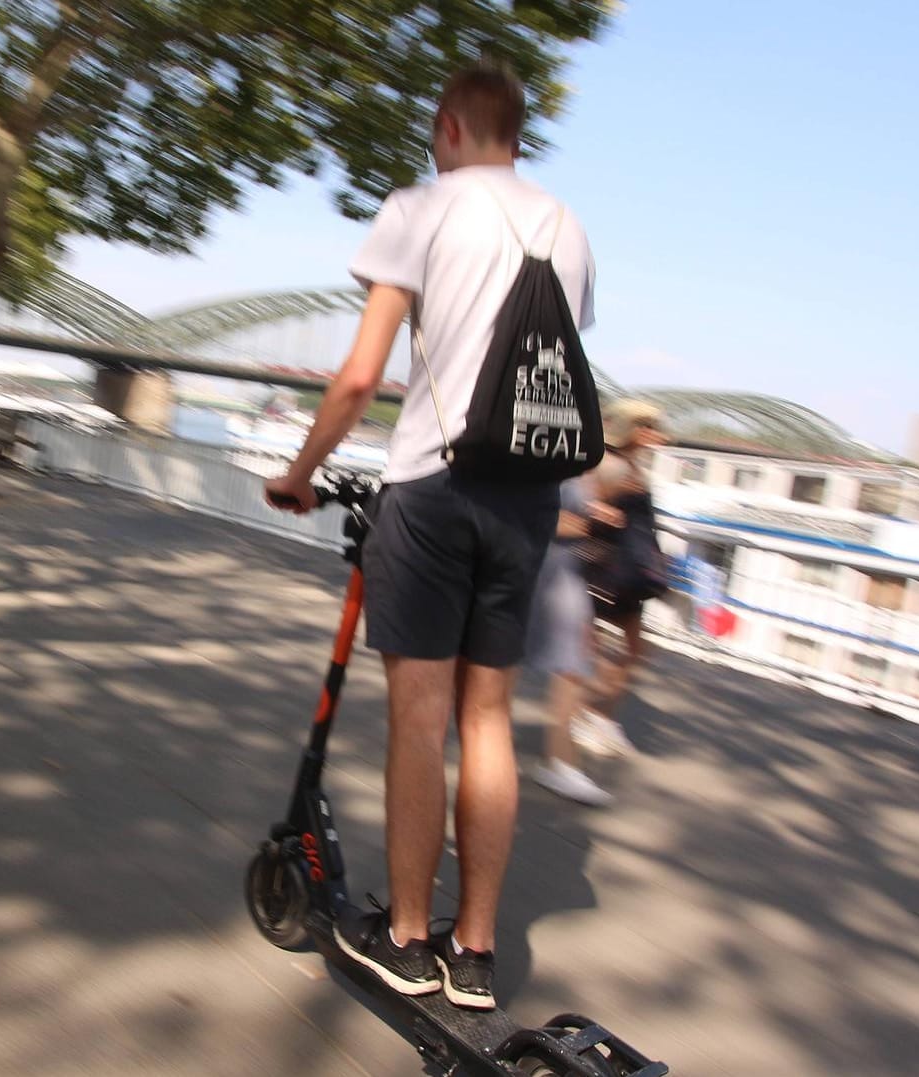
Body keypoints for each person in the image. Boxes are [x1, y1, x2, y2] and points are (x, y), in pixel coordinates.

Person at [265, 64, 595, 1012]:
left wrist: (299, 473)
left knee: (420, 716)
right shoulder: (567, 227)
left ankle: (407, 936)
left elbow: (362, 375)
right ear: (516, 135)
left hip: (435, 487)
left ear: (449, 126)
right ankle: (478, 950)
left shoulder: (420, 207)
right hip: (529, 496)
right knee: (488, 717)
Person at [577, 402, 669, 757]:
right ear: (635, 429)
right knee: (595, 648)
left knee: (632, 649)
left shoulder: (633, 465)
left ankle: (599, 717)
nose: (658, 436)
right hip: (604, 566)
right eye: (650, 428)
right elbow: (579, 504)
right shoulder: (608, 463)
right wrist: (602, 512)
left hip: (629, 568)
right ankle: (585, 716)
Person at [526, 476, 620, 805]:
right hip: (555, 574)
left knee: (576, 663)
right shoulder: (569, 464)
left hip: (563, 573)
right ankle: (561, 762)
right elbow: (542, 517)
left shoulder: (577, 465)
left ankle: (563, 757)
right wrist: (593, 523)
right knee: (572, 666)